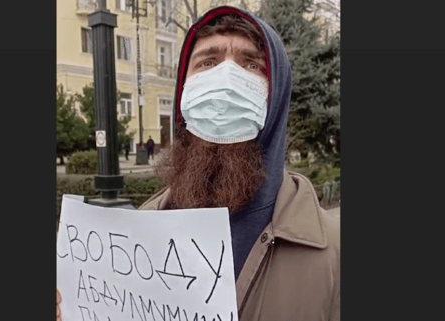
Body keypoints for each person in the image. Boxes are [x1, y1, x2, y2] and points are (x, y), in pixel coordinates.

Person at [57, 5, 339, 321]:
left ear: (278, 95)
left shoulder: (334, 253)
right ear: (183, 91)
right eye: (207, 62)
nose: (226, 79)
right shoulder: (136, 233)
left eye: (252, 66)